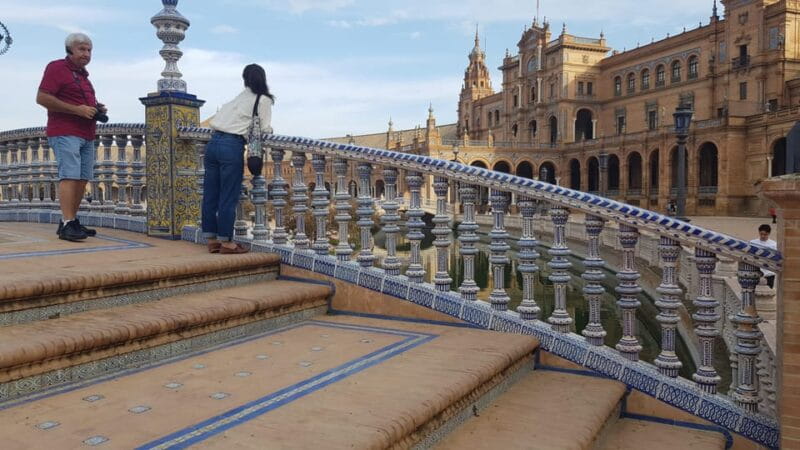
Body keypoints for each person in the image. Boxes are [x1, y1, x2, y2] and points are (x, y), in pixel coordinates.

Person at [36, 33, 106, 241]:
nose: (86, 54)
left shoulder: (83, 76)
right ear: (69, 50)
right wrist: (77, 110)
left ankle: (71, 220)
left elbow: (76, 100)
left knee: (82, 178)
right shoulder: (57, 67)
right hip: (65, 131)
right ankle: (67, 223)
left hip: (87, 133)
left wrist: (96, 108)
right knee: (70, 176)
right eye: (82, 49)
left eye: (89, 50)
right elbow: (42, 97)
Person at [202, 64, 273, 254]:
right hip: (231, 146)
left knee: (210, 194)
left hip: (212, 145)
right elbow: (265, 129)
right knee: (228, 196)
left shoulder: (238, 98)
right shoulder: (263, 99)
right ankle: (226, 243)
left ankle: (211, 240)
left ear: (245, 80)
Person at [749, 224, 778, 288]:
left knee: (769, 289)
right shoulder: (753, 242)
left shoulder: (774, 245)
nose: (763, 236)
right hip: (755, 270)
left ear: (769, 233)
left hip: (769, 271)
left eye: (765, 234)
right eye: (761, 234)